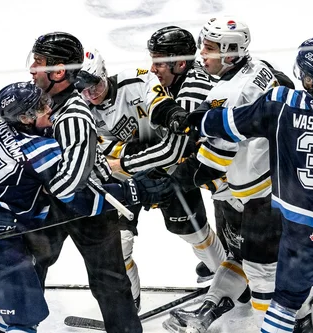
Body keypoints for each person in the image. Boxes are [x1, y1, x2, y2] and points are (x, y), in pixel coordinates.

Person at [179, 37, 313, 333]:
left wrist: (197, 120)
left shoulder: (281, 103)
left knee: (283, 302)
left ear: (306, 77)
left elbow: (229, 123)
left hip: (300, 230)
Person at [0, 82, 174, 333]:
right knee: (22, 319)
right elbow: (79, 198)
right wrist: (133, 191)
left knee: (13, 309)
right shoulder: (37, 151)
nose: (49, 108)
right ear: (24, 118)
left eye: (44, 101)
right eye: (39, 107)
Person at [157, 18, 313, 333]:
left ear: (231, 52)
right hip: (285, 181)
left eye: (208, 48)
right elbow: (283, 85)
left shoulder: (229, 93)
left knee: (261, 272)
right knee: (264, 265)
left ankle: (288, 325)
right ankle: (303, 320)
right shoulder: (260, 68)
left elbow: (214, 161)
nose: (201, 55)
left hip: (265, 194)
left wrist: (170, 182)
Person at [25, 31, 159, 332]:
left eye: (39, 62)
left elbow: (69, 183)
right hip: (60, 203)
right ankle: (18, 324)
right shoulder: (38, 99)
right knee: (29, 270)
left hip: (90, 208)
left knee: (109, 284)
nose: (33, 69)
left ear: (59, 71)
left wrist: (37, 191)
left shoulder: (74, 116)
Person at [74, 46, 226, 310]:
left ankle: (229, 282)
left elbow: (161, 109)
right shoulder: (81, 112)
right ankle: (128, 305)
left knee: (195, 234)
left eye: (95, 85)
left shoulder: (138, 77)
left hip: (169, 172)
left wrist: (164, 124)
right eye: (84, 91)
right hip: (126, 179)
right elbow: (102, 153)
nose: (92, 94)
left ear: (104, 73)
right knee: (118, 244)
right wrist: (128, 157)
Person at [147, 25, 227, 282]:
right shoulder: (184, 78)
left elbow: (174, 153)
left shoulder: (191, 94)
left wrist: (125, 164)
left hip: (235, 174)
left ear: (180, 64)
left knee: (245, 237)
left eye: (159, 63)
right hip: (220, 167)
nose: (152, 69)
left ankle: (235, 281)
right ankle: (227, 264)